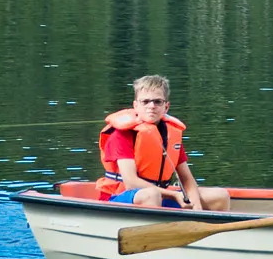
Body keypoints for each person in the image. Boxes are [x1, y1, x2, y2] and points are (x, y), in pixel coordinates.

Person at [98, 74, 230, 210]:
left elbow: (187, 180)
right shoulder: (122, 134)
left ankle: (198, 226)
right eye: (145, 101)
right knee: (151, 194)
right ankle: (151, 230)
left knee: (220, 196)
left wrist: (197, 209)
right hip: (120, 198)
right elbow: (131, 182)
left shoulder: (170, 133)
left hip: (159, 196)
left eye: (157, 101)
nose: (151, 106)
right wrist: (173, 195)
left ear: (166, 107)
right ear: (135, 105)